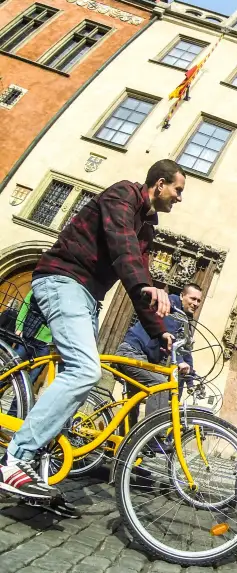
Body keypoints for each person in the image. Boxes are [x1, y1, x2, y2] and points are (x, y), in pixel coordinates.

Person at [0, 160, 181, 503]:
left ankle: (38, 464)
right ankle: (14, 461)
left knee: (78, 377)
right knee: (86, 370)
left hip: (88, 295)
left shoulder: (146, 229)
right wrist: (147, 284)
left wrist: (160, 331)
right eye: (178, 189)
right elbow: (120, 245)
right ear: (159, 184)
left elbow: (136, 282)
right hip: (63, 278)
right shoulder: (123, 195)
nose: (179, 198)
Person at [117, 283, 203, 430]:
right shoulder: (169, 306)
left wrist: (192, 378)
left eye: (198, 301)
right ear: (182, 296)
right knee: (160, 386)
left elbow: (185, 350)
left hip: (143, 358)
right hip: (132, 352)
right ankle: (153, 439)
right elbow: (170, 337)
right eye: (193, 299)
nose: (195, 304)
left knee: (133, 403)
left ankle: (121, 445)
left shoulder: (184, 319)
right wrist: (180, 362)